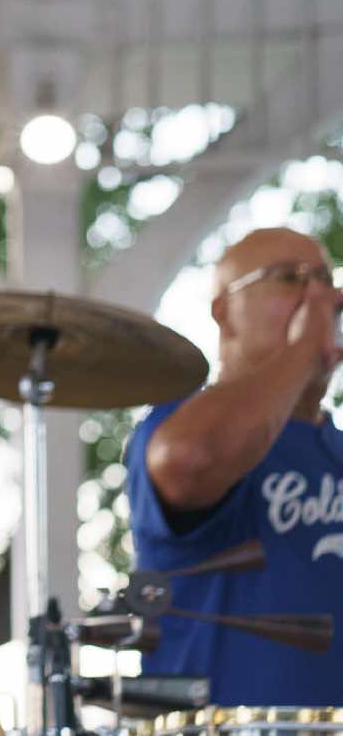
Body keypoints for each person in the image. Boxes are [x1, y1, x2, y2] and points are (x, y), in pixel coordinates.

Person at [123, 226, 343, 703]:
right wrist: (305, 348)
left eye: (325, 281)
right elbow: (193, 459)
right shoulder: (175, 427)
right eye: (290, 278)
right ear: (223, 311)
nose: (320, 298)